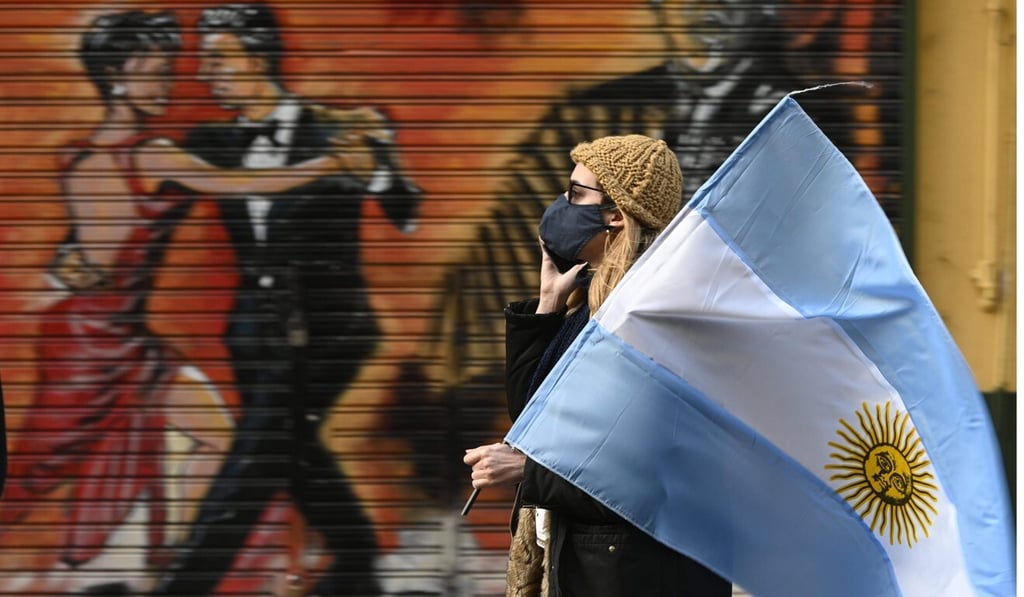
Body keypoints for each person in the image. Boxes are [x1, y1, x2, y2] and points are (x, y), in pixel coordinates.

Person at [0, 9, 369, 594]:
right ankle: (165, 568)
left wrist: (72, 264)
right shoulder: (153, 155)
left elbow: (84, 253)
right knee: (46, 465)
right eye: (155, 72)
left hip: (109, 332)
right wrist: (332, 162)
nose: (169, 83)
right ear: (118, 76)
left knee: (217, 438)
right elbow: (245, 185)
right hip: (93, 342)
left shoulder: (79, 156)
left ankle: (169, 566)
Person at [153, 3, 422, 595]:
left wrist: (374, 169)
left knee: (257, 455)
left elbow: (405, 212)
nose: (206, 72)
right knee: (290, 449)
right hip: (255, 333)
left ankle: (183, 584)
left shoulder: (339, 129)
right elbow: (151, 208)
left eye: (219, 57)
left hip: (331, 330)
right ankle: (356, 560)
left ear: (259, 54)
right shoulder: (210, 142)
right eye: (204, 59)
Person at [464, 135, 731, 596]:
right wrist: (547, 306)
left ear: (616, 215)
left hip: (642, 574)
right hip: (601, 566)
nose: (561, 204)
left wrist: (526, 471)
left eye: (575, 193)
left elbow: (650, 476)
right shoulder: (595, 307)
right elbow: (534, 419)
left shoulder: (655, 316)